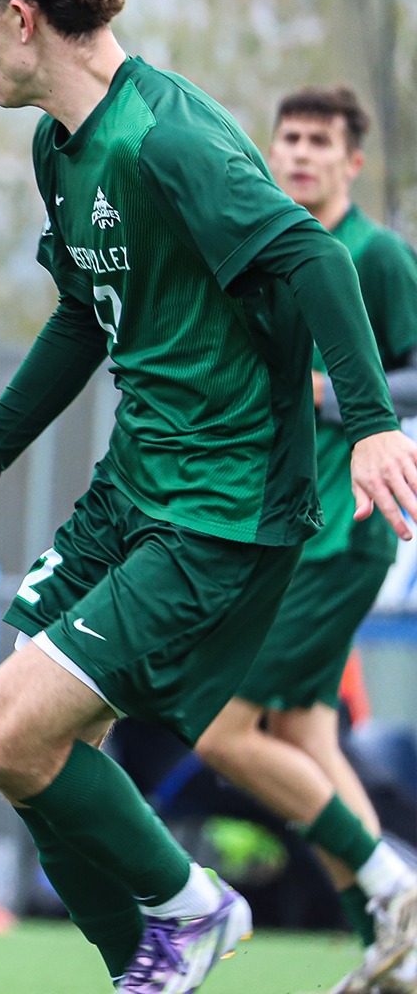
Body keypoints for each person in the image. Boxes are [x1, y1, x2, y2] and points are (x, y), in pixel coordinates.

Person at [0, 0, 417, 991]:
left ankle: (193, 906)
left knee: (4, 730)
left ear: (21, 16)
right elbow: (84, 322)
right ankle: (150, 965)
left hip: (219, 510)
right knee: (33, 755)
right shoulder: (60, 145)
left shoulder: (170, 138)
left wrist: (371, 423)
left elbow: (315, 258)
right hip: (134, 488)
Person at [187, 87, 417, 991]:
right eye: (290, 139)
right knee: (310, 742)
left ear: (351, 162)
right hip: (278, 530)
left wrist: (338, 399)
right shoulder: (268, 253)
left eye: (322, 142)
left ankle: (398, 888)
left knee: (217, 728)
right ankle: (394, 942)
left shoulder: (379, 257)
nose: (303, 155)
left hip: (342, 533)